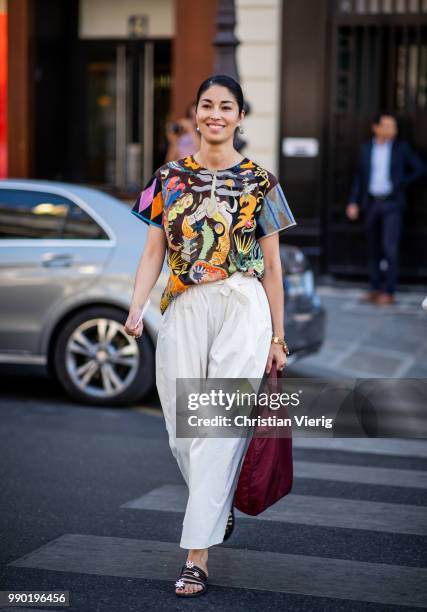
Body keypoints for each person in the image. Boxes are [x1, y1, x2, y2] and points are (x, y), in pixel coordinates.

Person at [124, 74, 296, 598]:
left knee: (217, 429)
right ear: (195, 113)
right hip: (183, 305)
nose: (216, 114)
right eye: (207, 105)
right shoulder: (167, 177)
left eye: (227, 106)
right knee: (182, 430)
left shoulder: (261, 182)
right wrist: (136, 307)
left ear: (240, 117)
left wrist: (279, 338)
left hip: (243, 305)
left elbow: (272, 267)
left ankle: (195, 556)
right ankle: (214, 507)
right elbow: (154, 250)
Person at [346, 113, 426, 305]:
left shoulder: (401, 148)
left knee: (390, 248)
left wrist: (399, 183)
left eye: (394, 126)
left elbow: (420, 168)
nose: (393, 130)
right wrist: (353, 202)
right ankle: (374, 288)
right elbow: (359, 178)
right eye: (388, 126)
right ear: (376, 128)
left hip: (392, 203)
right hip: (371, 203)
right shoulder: (366, 149)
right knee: (373, 248)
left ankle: (389, 292)